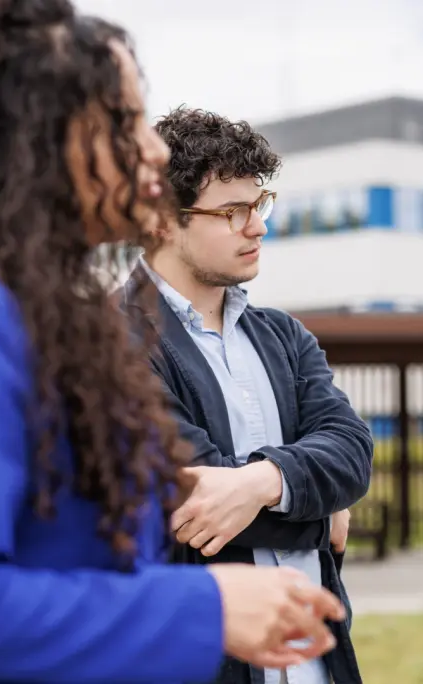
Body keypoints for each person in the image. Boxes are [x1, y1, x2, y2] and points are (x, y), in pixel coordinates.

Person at [0, 1, 344, 682]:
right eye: (123, 123)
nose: (152, 149)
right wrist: (204, 606)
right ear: (37, 140)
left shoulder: (61, 319)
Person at [123, 106, 373, 684]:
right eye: (232, 212)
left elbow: (353, 453)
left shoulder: (282, 335)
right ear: (163, 219)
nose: (257, 226)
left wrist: (260, 483)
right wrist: (319, 502)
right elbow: (194, 508)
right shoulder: (110, 342)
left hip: (316, 661)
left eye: (258, 206)